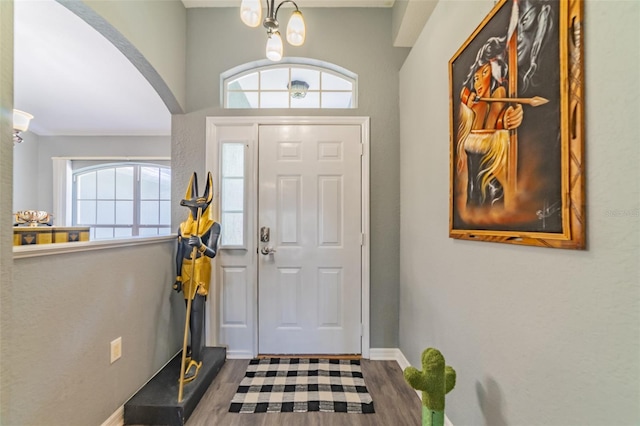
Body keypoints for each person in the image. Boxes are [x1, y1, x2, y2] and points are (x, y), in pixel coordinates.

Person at [456, 36, 524, 207]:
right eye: (476, 78)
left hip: (491, 179)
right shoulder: (474, 103)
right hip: (475, 187)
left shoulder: (498, 94)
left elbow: (502, 115)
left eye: (484, 73)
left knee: (489, 194)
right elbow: (463, 93)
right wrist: (466, 98)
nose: (478, 82)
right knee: (475, 193)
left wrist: (509, 117)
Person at [174, 172, 221, 383]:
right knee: (187, 314)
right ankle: (190, 352)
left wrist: (200, 245)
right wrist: (176, 275)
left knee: (197, 313)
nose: (193, 210)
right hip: (185, 271)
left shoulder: (212, 226)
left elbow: (212, 253)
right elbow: (178, 253)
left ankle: (197, 358)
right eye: (191, 207)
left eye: (197, 206)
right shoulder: (183, 227)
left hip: (200, 272)